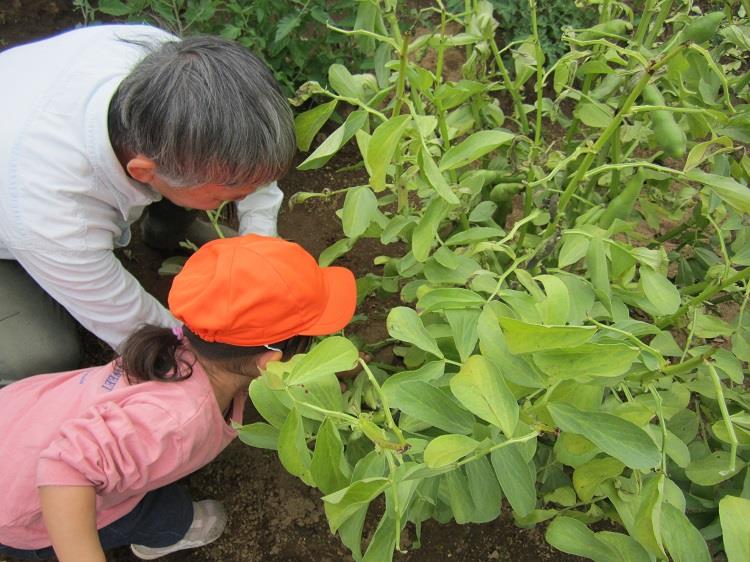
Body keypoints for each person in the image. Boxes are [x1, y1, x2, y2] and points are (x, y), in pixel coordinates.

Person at [0, 234, 357, 561]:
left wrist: (322, 370)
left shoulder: (180, 342)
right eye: (310, 344)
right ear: (270, 363)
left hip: (22, 418)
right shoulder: (178, 422)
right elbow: (66, 466)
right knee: (163, 512)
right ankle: (172, 533)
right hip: (25, 509)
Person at [0, 24, 297, 383]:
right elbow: (136, 325)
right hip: (13, 222)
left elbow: (251, 158)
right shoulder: (51, 210)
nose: (246, 195)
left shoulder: (177, 68)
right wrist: (234, 362)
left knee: (204, 175)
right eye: (227, 195)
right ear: (143, 171)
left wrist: (259, 244)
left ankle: (169, 229)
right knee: (39, 354)